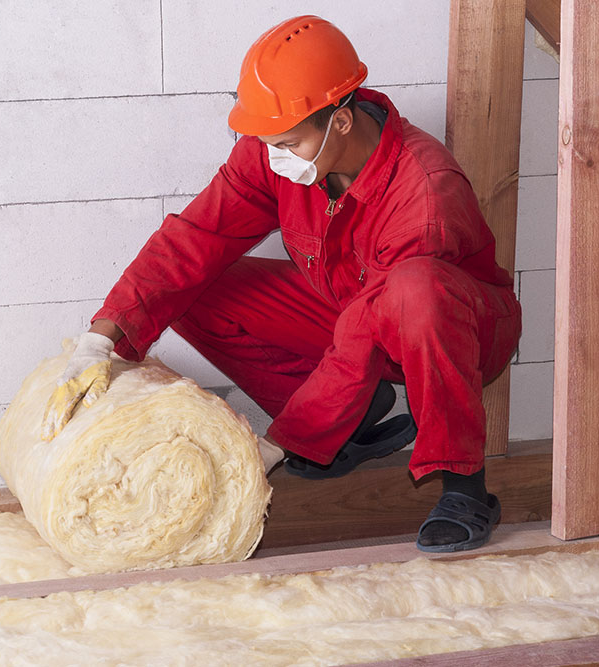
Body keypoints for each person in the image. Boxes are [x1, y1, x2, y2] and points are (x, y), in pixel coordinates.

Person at [41, 15, 521, 553]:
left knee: (416, 292)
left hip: (445, 329)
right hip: (346, 305)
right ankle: (350, 421)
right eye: (267, 141)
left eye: (287, 142)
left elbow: (370, 328)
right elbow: (197, 236)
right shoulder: (279, 152)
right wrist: (101, 338)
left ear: (340, 121)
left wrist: (278, 445)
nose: (273, 157)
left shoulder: (424, 195)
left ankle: (466, 488)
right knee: (199, 287)